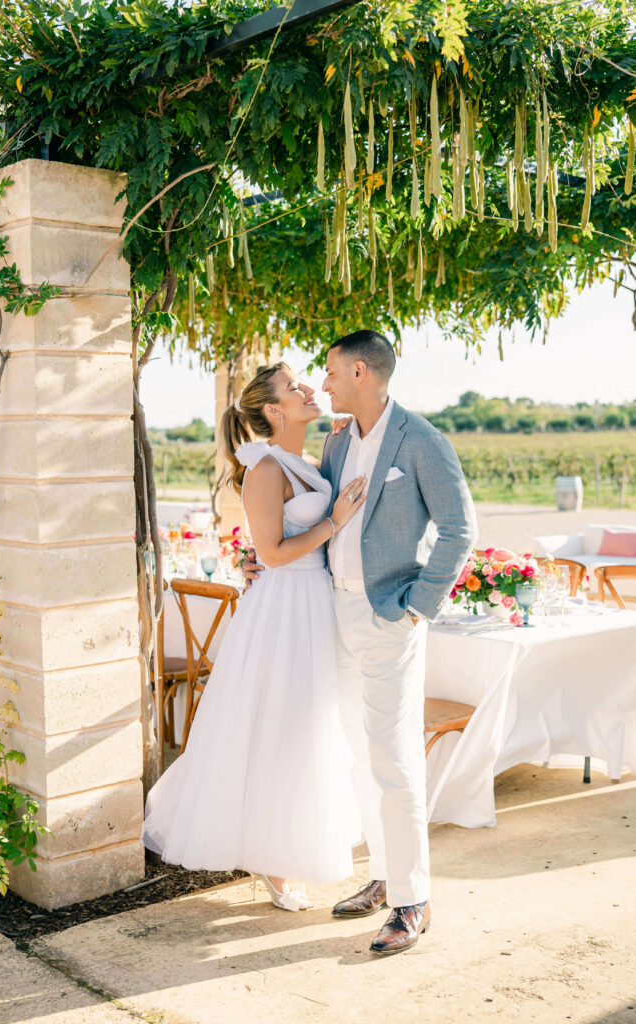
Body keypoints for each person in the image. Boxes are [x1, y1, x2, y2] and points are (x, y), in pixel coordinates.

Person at [244, 330, 477, 954]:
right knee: (355, 752)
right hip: (329, 612)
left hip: (387, 617)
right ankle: (382, 875)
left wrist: (415, 610)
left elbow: (459, 532)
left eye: (330, 372)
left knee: (394, 757)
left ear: (362, 373)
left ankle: (412, 900)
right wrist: (260, 562)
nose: (321, 384)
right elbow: (311, 516)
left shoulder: (422, 441)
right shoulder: (338, 440)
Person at [142, 362, 366, 911]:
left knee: (308, 730)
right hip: (284, 609)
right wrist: (332, 521)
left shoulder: (310, 460)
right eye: (295, 388)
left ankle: (286, 842)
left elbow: (274, 544)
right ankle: (271, 858)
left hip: (317, 604)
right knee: (277, 727)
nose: (309, 389)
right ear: (272, 410)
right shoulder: (265, 469)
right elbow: (270, 554)